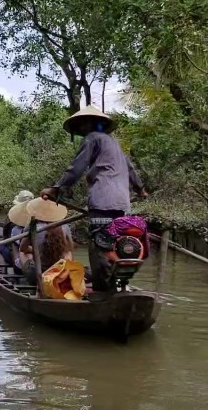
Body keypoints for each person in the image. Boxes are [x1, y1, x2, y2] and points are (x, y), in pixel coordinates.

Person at [39, 105, 147, 296]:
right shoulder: (115, 144)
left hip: (103, 200)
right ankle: (118, 287)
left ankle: (102, 291)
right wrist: (140, 189)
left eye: (82, 125)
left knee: (99, 246)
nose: (81, 129)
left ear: (90, 124)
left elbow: (76, 168)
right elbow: (130, 170)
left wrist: (57, 189)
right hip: (122, 204)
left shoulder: (92, 138)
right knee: (116, 245)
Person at [18, 198, 73, 286]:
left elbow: (23, 248)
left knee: (22, 252)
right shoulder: (64, 225)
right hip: (59, 271)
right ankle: (66, 272)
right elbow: (70, 248)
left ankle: (34, 278)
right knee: (68, 252)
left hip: (38, 273)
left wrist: (36, 250)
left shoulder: (32, 225)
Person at [0, 190, 35, 270]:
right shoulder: (37, 219)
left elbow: (8, 240)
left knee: (1, 246)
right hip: (29, 254)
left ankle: (5, 269)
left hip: (20, 256)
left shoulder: (13, 224)